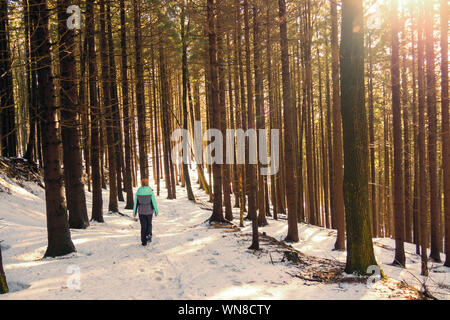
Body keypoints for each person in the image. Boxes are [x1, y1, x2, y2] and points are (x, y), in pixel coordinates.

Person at [133, 179, 159, 246]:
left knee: (143, 226)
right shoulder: (150, 191)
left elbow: (136, 203)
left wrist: (134, 212)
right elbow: (153, 202)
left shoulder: (138, 191)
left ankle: (143, 241)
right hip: (149, 211)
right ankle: (149, 235)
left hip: (141, 212)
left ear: (141, 183)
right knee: (149, 224)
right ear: (147, 183)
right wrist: (156, 211)